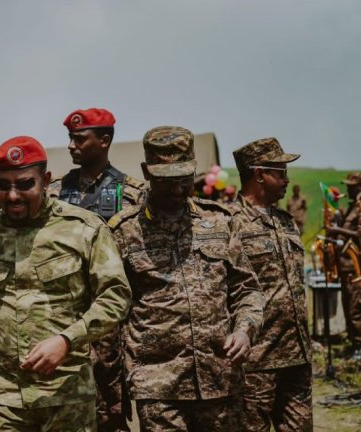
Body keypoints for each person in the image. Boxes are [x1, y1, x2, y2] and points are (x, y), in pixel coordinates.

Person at [0, 136, 132, 430]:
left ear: (46, 181)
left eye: (24, 184)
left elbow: (116, 296)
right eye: (2, 185)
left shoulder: (84, 229)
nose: (12, 196)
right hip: (1, 400)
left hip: (66, 394)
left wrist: (67, 340)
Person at [109, 126, 264, 432]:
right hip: (157, 384)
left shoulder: (219, 221)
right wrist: (113, 391)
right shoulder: (123, 231)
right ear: (147, 172)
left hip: (220, 379)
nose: (178, 189)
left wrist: (245, 330)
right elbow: (111, 312)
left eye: (184, 179)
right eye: (167, 180)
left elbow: (247, 289)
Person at [48, 107, 146, 430]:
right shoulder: (53, 193)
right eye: (70, 138)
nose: (71, 145)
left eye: (79, 139)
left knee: (110, 414)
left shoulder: (133, 195)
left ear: (104, 141)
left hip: (113, 328)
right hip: (62, 320)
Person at [232, 138, 313, 431]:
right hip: (256, 359)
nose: (286, 180)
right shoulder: (229, 223)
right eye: (280, 172)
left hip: (297, 354)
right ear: (259, 174)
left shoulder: (286, 221)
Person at [327, 171, 361, 356]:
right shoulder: (351, 207)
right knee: (347, 306)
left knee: (356, 309)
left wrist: (337, 230)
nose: (347, 189)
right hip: (344, 266)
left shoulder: (360, 208)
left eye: (351, 186)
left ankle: (359, 347)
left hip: (355, 268)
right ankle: (353, 344)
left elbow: (359, 234)